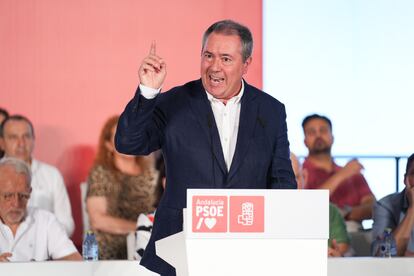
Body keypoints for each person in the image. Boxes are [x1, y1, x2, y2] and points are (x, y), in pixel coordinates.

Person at [115, 19, 296, 275]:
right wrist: (147, 92)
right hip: (180, 248)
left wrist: (282, 241)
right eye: (208, 56)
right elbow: (128, 142)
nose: (214, 67)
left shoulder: (271, 110)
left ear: (246, 64)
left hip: (248, 250)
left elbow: (281, 181)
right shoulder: (173, 103)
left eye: (225, 58)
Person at [86, 115, 157, 260]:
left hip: (147, 243)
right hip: (111, 248)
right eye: (121, 135)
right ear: (108, 145)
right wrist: (141, 228)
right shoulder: (101, 172)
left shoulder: (151, 172)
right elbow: (97, 219)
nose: (129, 140)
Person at [0, 115, 74, 236]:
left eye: (26, 136)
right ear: (2, 143)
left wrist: (44, 240)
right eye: (14, 137)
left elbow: (66, 223)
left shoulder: (51, 175)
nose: (21, 143)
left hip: (45, 248)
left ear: (34, 140)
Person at [301, 114, 375, 228]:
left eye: (323, 130)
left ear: (332, 137)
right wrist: (341, 175)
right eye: (312, 132)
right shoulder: (298, 173)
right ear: (305, 141)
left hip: (354, 236)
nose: (318, 135)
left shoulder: (352, 172)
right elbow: (307, 208)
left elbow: (373, 207)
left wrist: (346, 213)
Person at [0, 158, 81, 262]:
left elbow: (76, 262)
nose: (16, 203)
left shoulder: (46, 221)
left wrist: (42, 268)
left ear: (30, 192)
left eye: (23, 196)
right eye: (8, 196)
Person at [290, 153, 350, 257]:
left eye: (295, 177)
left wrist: (336, 257)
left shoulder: (329, 211)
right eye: (283, 180)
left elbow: (341, 250)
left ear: (305, 176)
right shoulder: (260, 212)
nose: (291, 185)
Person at [372, 153, 414, 256]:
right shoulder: (385, 206)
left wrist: (406, 255)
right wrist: (412, 208)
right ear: (405, 179)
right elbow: (383, 255)